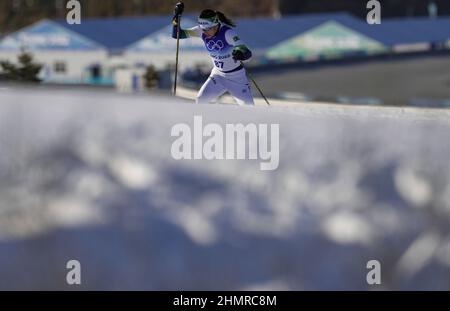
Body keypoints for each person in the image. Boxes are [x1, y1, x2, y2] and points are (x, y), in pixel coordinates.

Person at [172, 2, 255, 106]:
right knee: (200, 100)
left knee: (249, 108)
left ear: (216, 24)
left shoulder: (228, 33)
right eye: (203, 29)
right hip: (218, 75)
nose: (205, 32)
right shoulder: (201, 31)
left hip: (236, 78)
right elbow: (177, 34)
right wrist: (176, 16)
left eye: (208, 29)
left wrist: (240, 54)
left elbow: (247, 52)